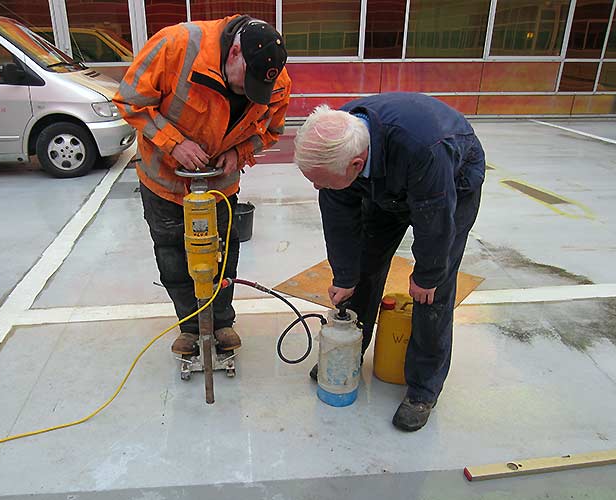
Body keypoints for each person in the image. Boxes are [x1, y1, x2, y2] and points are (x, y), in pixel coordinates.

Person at [293, 93, 485, 431]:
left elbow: (436, 220)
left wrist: (427, 274)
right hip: (386, 183)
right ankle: (349, 351)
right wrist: (345, 276)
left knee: (432, 293)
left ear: (355, 165)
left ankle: (423, 388)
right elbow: (340, 221)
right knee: (364, 268)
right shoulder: (338, 140)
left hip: (450, 182)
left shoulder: (423, 149)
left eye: (320, 180)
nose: (315, 186)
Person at [114, 15, 291, 356]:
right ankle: (190, 326)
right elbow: (129, 99)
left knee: (222, 254)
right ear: (235, 51)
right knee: (172, 255)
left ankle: (222, 322)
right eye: (244, 83)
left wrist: (241, 152)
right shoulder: (176, 45)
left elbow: (272, 130)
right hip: (164, 178)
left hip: (218, 186)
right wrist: (173, 143)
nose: (247, 92)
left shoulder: (276, 79)